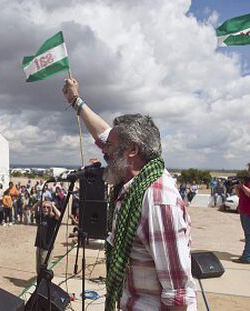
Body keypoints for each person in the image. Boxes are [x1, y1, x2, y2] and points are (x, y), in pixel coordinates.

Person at [62, 78, 196, 310]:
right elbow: (103, 134)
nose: (104, 151)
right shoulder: (136, 183)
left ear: (132, 150)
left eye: (110, 147)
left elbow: (178, 296)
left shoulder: (157, 200)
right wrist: (76, 101)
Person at [232, 160, 250, 264]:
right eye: (249, 169)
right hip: (245, 209)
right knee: (249, 233)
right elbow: (241, 195)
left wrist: (243, 187)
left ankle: (246, 257)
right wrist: (238, 188)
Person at [32, 200, 60, 274]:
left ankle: (43, 282)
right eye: (44, 207)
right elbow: (32, 209)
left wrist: (53, 206)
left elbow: (59, 216)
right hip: (39, 245)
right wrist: (38, 203)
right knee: (38, 267)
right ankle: (39, 281)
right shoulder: (40, 216)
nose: (46, 209)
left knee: (44, 267)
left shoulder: (52, 218)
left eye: (48, 207)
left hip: (47, 246)